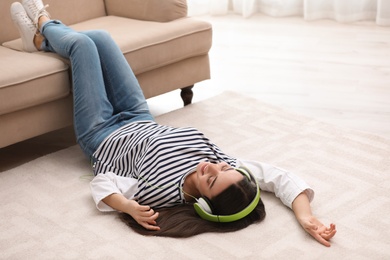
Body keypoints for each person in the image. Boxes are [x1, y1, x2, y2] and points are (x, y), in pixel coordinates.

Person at [11, 0, 336, 246]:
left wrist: (127, 206)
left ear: (203, 206)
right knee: (100, 37)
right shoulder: (223, 166)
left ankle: (42, 20)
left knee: (83, 45)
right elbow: (278, 177)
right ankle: (40, 43)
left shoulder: (158, 194)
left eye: (211, 179)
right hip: (139, 115)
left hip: (100, 132)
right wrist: (305, 216)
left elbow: (102, 184)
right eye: (222, 169)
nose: (211, 167)